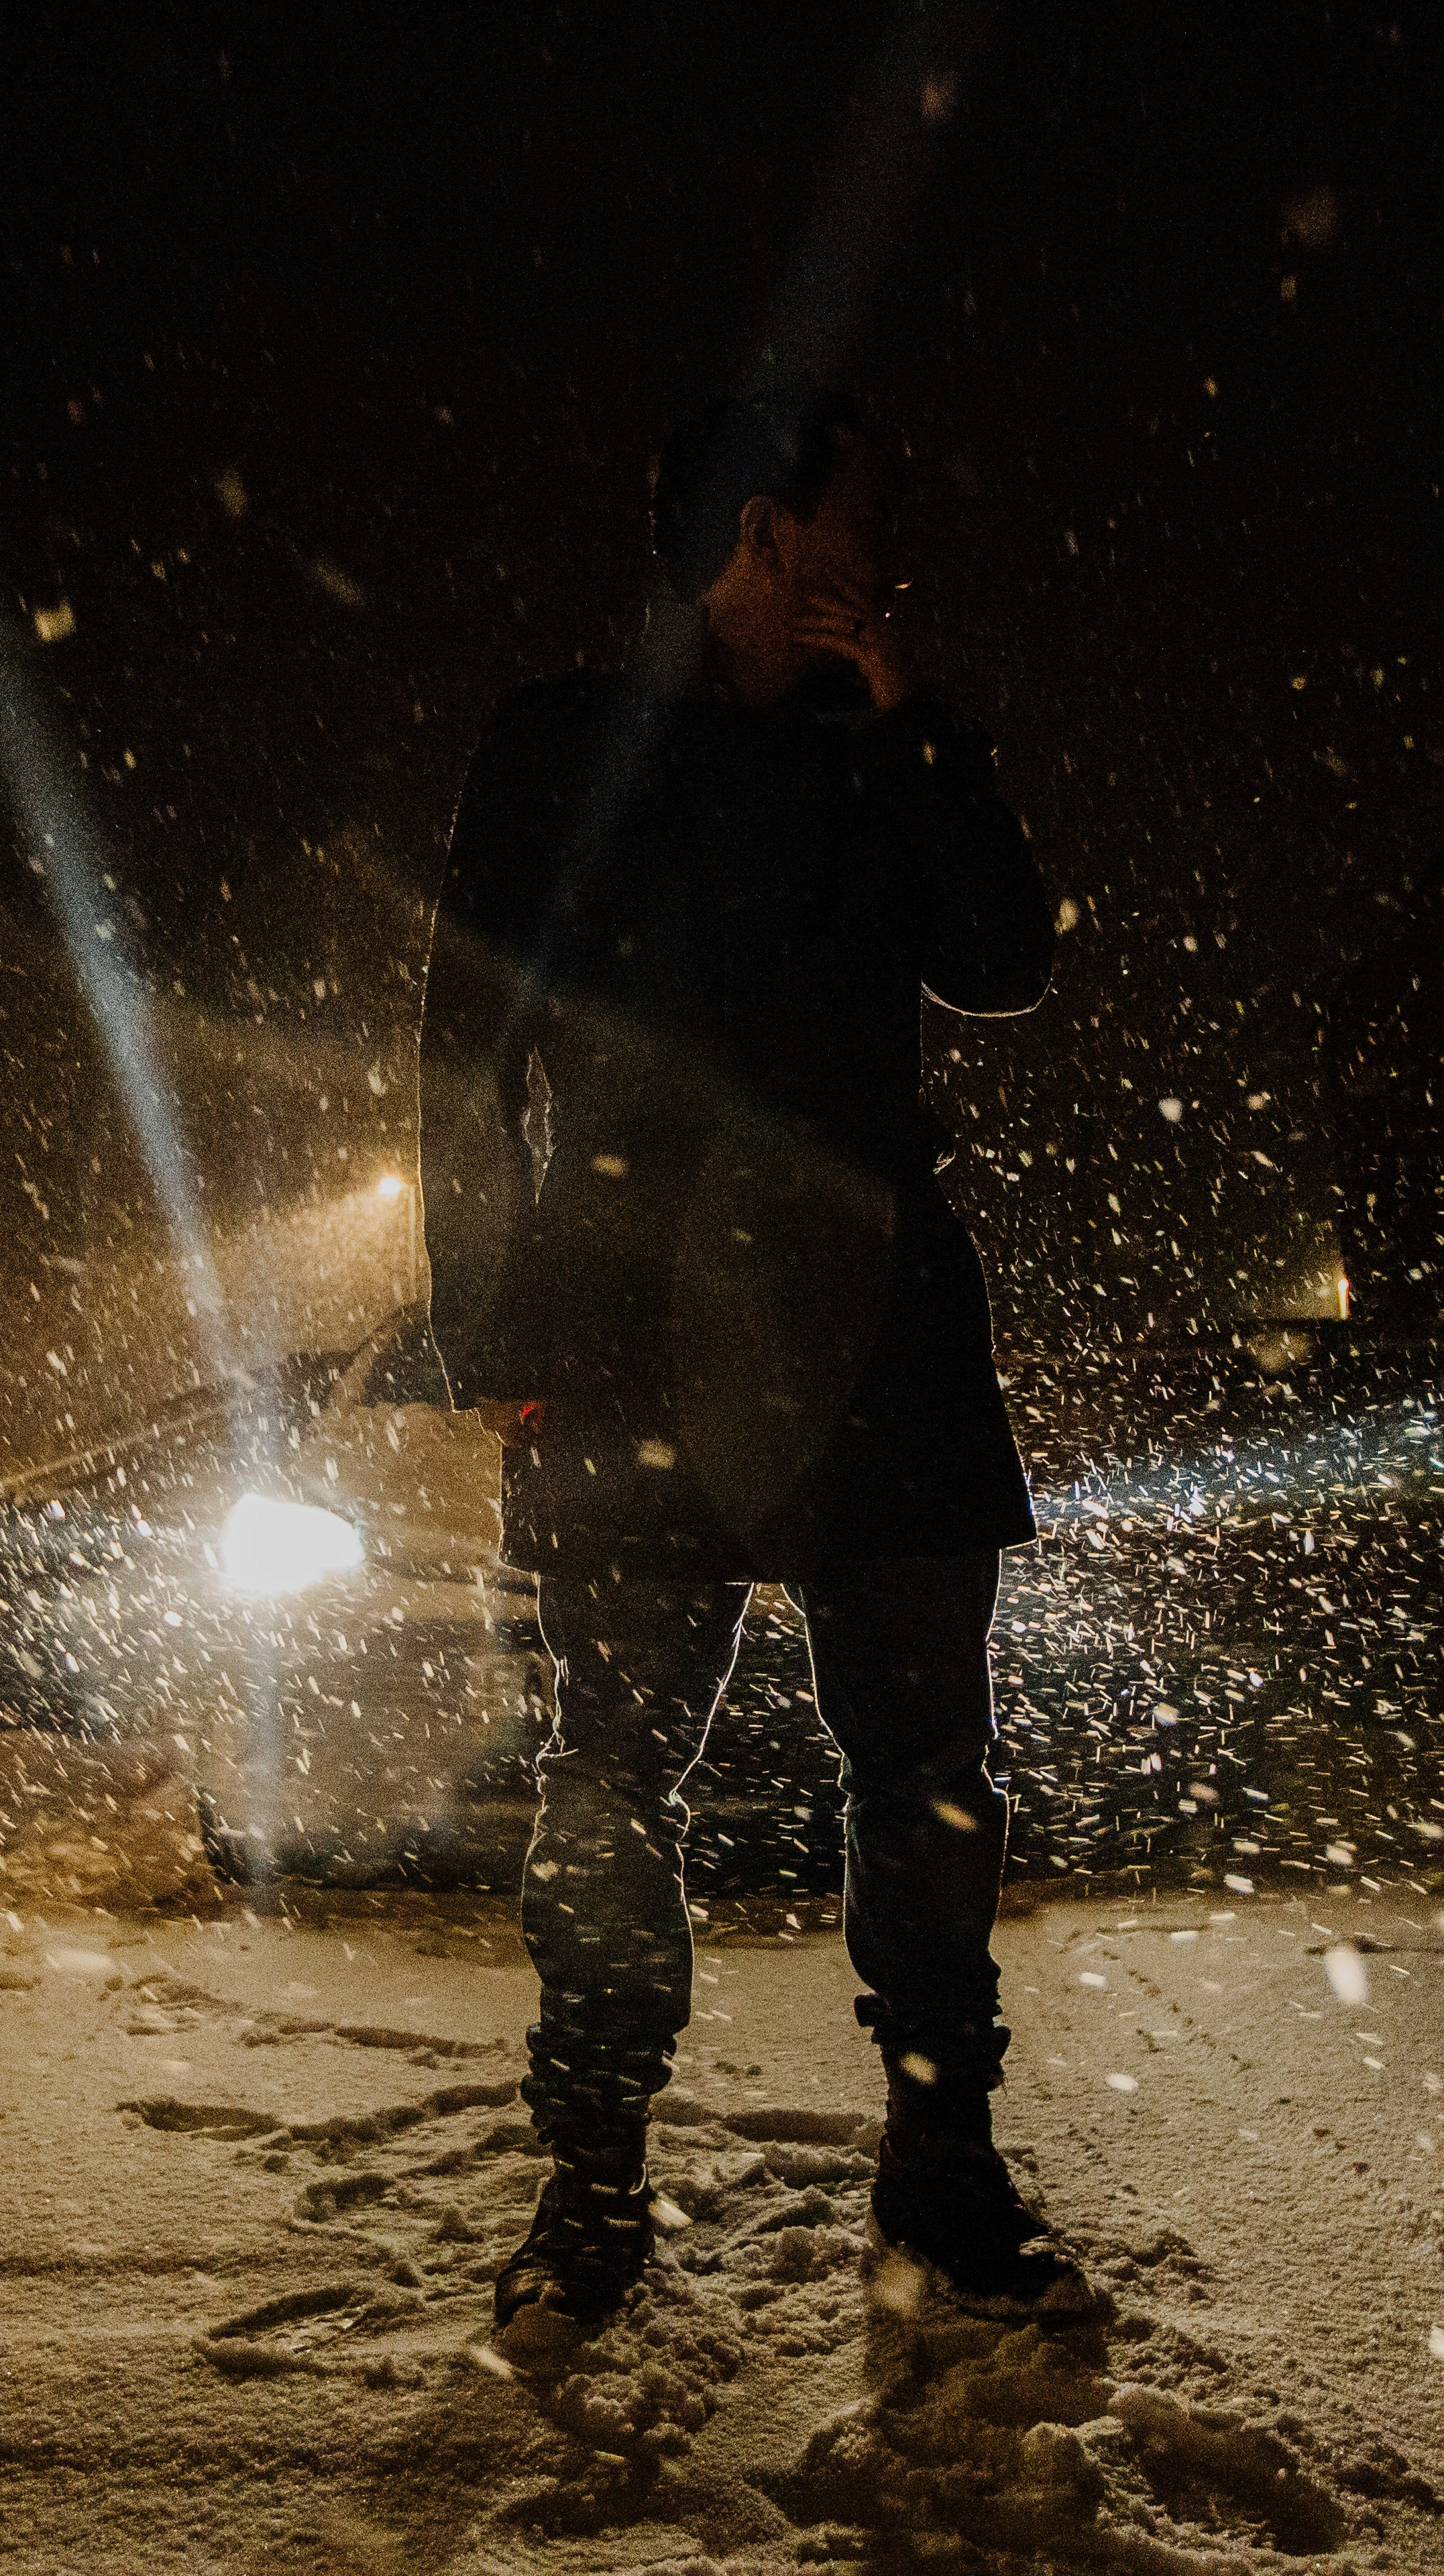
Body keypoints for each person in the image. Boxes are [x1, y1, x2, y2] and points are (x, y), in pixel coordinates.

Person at [417, 389, 1081, 2346]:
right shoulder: (560, 747)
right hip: (619, 1329)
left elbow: (1009, 956)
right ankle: (594, 2184)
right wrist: (493, 1332)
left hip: (873, 1308)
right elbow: (470, 1048)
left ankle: (942, 2177)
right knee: (610, 1778)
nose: (884, 559)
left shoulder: (887, 741)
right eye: (855, 524)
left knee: (930, 1779)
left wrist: (921, 727)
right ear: (762, 537)